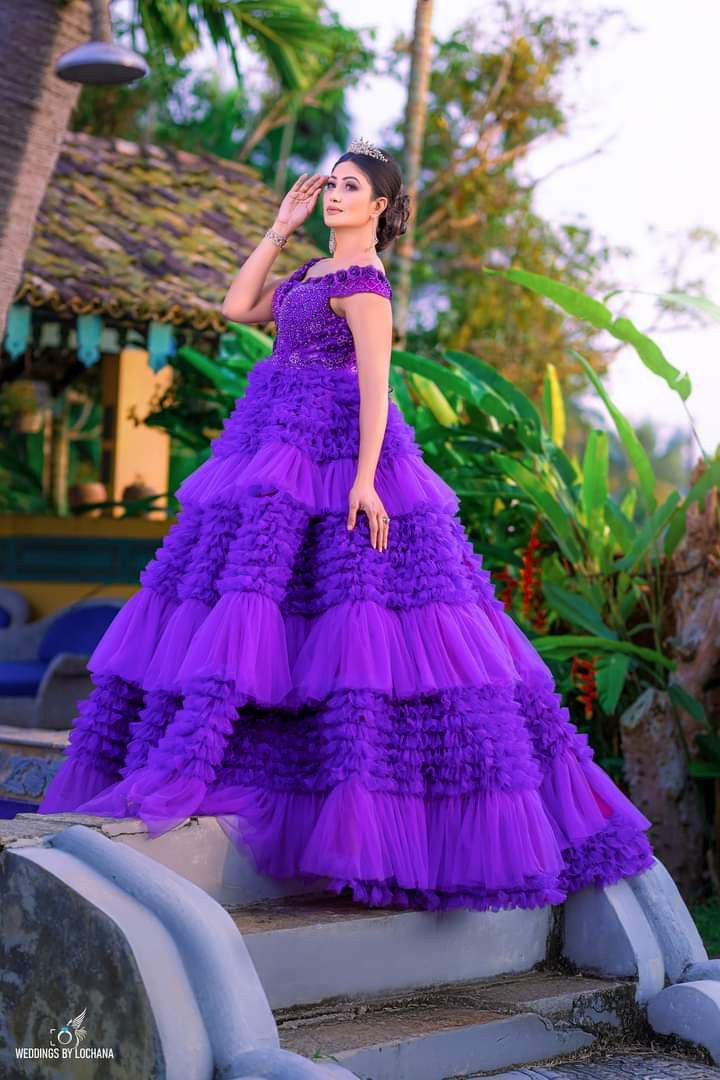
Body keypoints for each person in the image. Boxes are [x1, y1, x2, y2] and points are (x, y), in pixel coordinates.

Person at [38, 137, 655, 912]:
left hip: (340, 458)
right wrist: (277, 226)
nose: (332, 195)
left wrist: (365, 481)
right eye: (329, 185)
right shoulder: (310, 272)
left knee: (359, 625)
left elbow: (376, 390)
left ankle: (382, 814)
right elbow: (235, 308)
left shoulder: (365, 284)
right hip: (272, 453)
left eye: (349, 187)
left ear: (380, 208)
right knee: (257, 604)